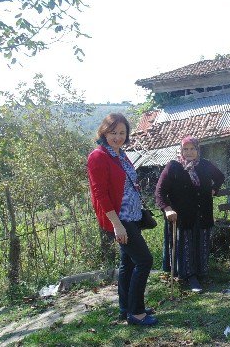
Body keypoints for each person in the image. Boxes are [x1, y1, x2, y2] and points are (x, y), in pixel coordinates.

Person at [87, 113, 157, 325]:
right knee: (145, 261)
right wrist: (117, 225)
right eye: (113, 132)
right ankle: (136, 313)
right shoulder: (98, 156)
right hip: (120, 219)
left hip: (132, 216)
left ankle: (126, 308)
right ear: (104, 131)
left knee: (128, 263)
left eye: (122, 133)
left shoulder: (119, 154)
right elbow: (100, 194)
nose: (117, 137)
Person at [155, 136, 225, 293]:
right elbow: (160, 191)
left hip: (203, 213)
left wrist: (214, 189)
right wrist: (167, 209)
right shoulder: (173, 167)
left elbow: (220, 177)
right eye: (185, 149)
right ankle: (189, 277)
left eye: (192, 148)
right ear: (180, 150)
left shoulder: (205, 165)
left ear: (198, 150)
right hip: (182, 215)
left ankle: (201, 273)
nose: (189, 152)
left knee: (201, 243)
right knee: (185, 245)